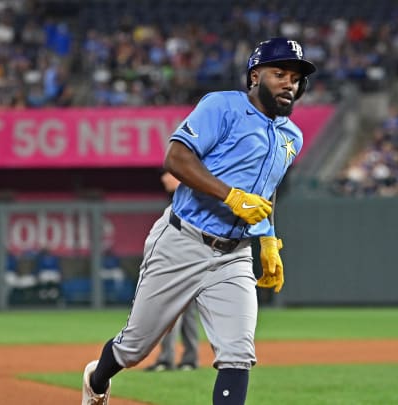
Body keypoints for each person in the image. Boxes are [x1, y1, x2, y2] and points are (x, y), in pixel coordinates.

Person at [81, 37, 316, 405]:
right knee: (135, 348)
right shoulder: (222, 106)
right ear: (255, 76)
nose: (290, 82)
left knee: (238, 353)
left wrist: (268, 239)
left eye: (296, 77)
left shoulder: (292, 136)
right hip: (183, 241)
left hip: (234, 256)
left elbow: (266, 190)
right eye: (280, 73)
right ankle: (96, 381)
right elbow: (175, 158)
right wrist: (231, 196)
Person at [144, 171, 200, 372]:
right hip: (191, 263)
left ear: (178, 177)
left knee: (170, 312)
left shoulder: (188, 199)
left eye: (167, 175)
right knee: (187, 315)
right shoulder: (187, 197)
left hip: (184, 263)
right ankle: (189, 360)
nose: (163, 179)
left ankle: (169, 359)